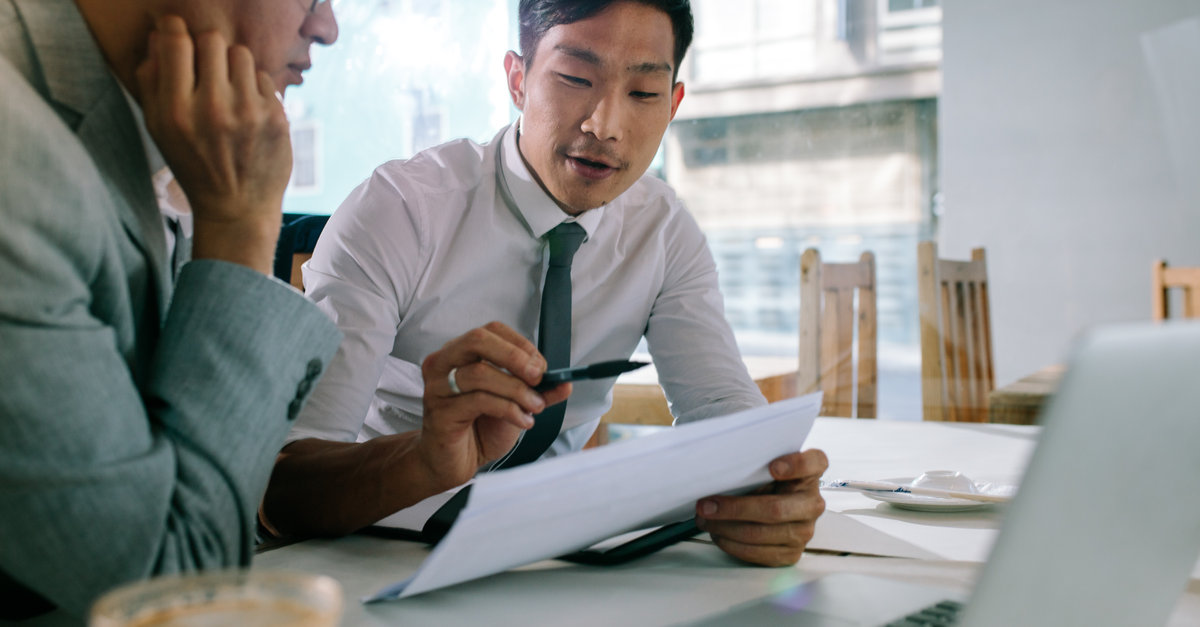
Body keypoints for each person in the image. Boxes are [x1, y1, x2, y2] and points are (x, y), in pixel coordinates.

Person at [263, 0, 828, 568]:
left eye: (643, 94)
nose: (604, 126)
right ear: (517, 79)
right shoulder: (400, 210)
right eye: (575, 79)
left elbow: (718, 404)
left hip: (558, 559)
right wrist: (423, 459)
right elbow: (284, 484)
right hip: (373, 547)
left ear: (674, 104)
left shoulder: (662, 228)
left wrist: (768, 485)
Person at [0, 0, 341, 619]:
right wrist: (243, 225)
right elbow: (172, 589)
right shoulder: (17, 165)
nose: (327, 27)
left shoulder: (146, 127)